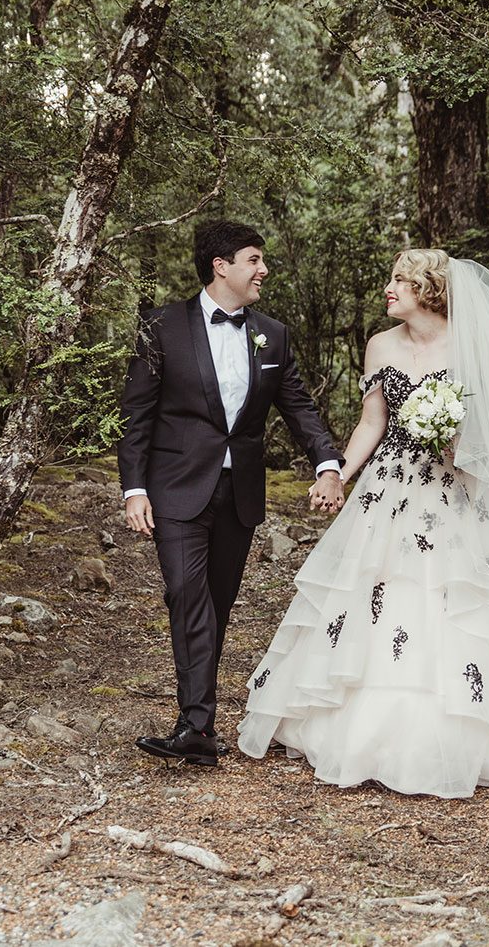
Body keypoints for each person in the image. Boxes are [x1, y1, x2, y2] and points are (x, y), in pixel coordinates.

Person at [237, 248, 489, 798]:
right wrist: (338, 473)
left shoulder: (472, 346)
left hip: (456, 492)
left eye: (399, 281)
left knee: (455, 597)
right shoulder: (381, 346)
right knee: (377, 588)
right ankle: (356, 724)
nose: (388, 289)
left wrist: (458, 442)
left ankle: (464, 729)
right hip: (391, 488)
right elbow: (371, 423)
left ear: (429, 290)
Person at [117, 220, 344, 768]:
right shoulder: (161, 326)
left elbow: (299, 407)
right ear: (221, 266)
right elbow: (137, 415)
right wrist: (134, 488)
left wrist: (329, 464)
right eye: (253, 259)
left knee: (215, 605)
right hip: (175, 489)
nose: (263, 269)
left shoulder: (274, 334)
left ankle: (195, 724)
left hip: (239, 492)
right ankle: (197, 726)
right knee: (186, 595)